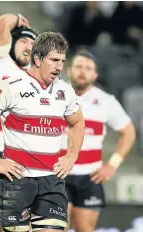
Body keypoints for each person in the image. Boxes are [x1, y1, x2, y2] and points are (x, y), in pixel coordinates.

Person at [0, 31, 85, 232]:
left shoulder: (65, 90)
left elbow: (78, 122)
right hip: (17, 181)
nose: (59, 66)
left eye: (62, 61)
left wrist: (72, 156)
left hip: (51, 181)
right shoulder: (10, 87)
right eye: (54, 60)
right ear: (37, 59)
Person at [62, 49, 136, 232]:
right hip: (57, 175)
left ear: (95, 75)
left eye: (88, 68)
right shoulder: (52, 95)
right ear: (69, 70)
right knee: (56, 228)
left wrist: (113, 164)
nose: (82, 71)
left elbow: (129, 132)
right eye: (78, 66)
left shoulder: (106, 101)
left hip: (90, 177)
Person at [0, 13, 37, 216]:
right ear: (10, 43)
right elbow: (3, 22)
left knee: (6, 220)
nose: (28, 46)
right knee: (13, 220)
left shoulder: (35, 77)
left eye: (32, 43)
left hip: (28, 157)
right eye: (23, 41)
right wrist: (20, 18)